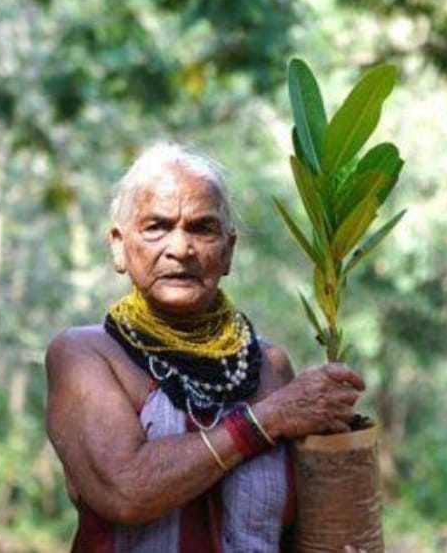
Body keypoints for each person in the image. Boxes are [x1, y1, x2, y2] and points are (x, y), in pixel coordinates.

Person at [45, 142, 366, 552]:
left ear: (228, 251)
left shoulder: (269, 366)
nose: (180, 249)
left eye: (202, 228)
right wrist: (268, 419)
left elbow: (296, 533)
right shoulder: (84, 356)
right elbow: (127, 490)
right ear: (119, 246)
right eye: (157, 227)